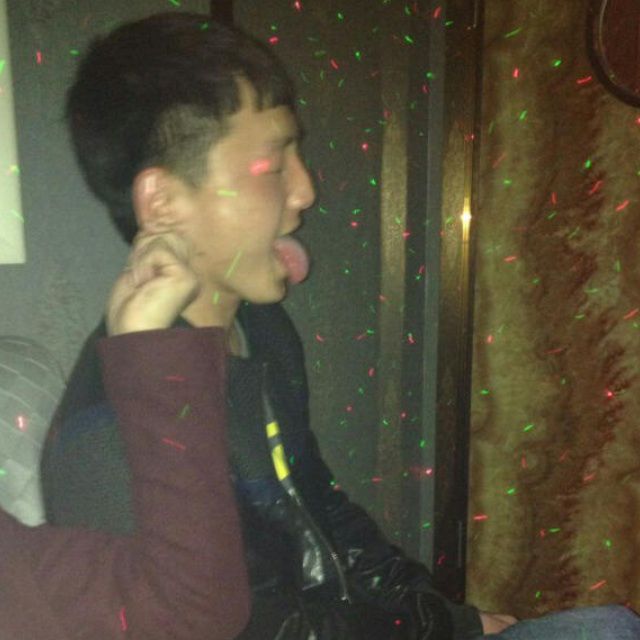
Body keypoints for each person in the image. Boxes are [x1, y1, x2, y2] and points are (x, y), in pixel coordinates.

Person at [40, 11, 640, 640]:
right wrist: (440, 628)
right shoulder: (108, 440)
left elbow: (322, 511)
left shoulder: (262, 330)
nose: (305, 190)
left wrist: (447, 618)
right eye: (273, 165)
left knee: (608, 626)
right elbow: (257, 628)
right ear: (164, 202)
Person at [0, 232, 250, 639]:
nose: (302, 201)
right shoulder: (99, 437)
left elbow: (189, 606)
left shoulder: (272, 340)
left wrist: (148, 342)